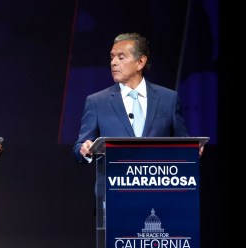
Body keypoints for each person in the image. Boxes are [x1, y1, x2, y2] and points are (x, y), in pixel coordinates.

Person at [73, 32, 199, 163]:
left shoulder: (169, 99)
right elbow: (80, 146)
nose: (113, 62)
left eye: (121, 57)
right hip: (114, 181)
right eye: (112, 57)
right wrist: (84, 149)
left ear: (140, 62)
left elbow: (183, 142)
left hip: (157, 180)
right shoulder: (96, 102)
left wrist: (192, 149)